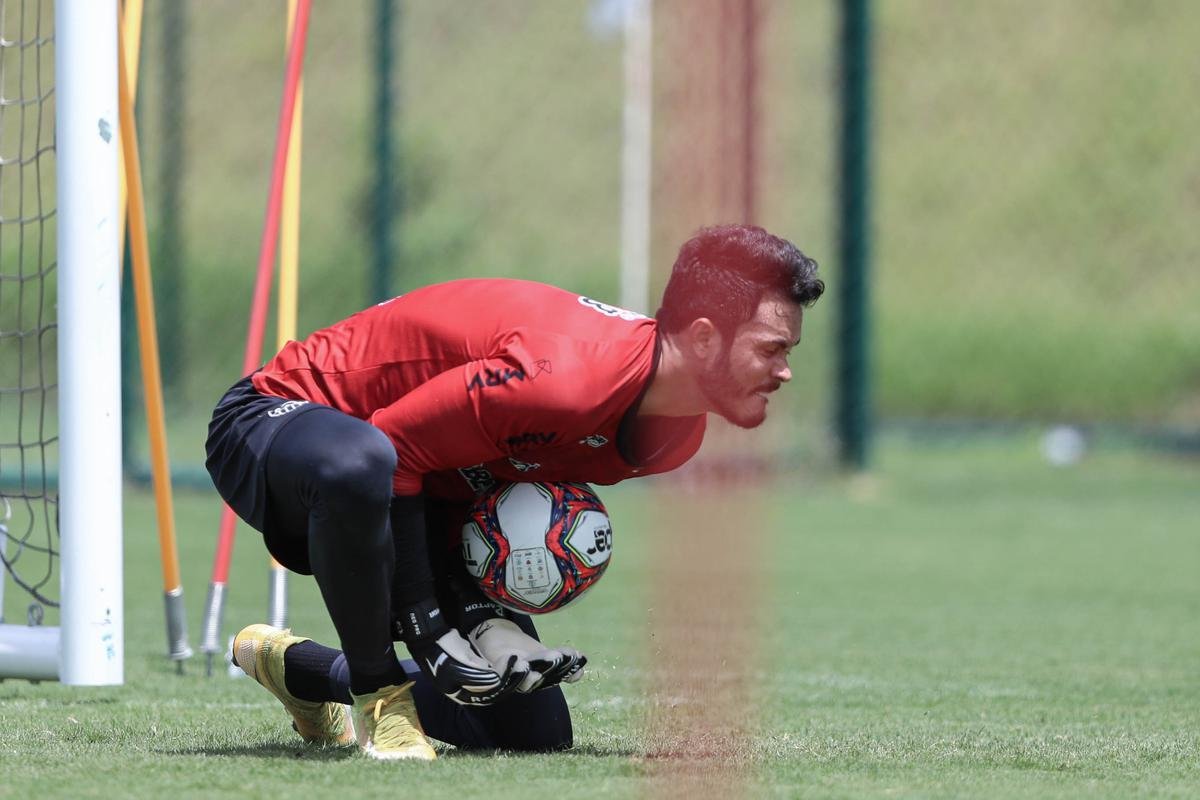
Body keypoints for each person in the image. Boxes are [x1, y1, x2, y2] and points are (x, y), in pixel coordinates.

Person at [205, 224, 824, 760]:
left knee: (531, 725)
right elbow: (390, 442)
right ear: (707, 338)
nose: (785, 371)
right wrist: (428, 629)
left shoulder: (673, 437)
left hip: (409, 485)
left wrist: (485, 622)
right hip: (276, 422)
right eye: (772, 349)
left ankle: (301, 671)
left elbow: (477, 486)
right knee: (360, 461)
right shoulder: (564, 380)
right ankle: (377, 696)